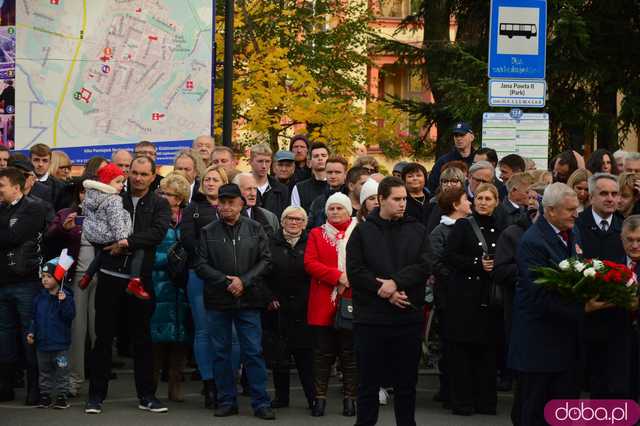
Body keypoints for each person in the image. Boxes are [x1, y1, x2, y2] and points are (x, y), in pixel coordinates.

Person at [508, 183, 613, 426]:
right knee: (534, 412)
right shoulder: (532, 242)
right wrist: (583, 308)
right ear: (551, 211)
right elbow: (540, 296)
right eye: (570, 210)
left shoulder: (571, 232)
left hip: (566, 345)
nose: (576, 214)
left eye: (576, 208)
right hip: (538, 348)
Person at [85, 156, 171, 415]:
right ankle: (95, 397)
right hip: (110, 277)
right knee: (103, 338)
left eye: (144, 174)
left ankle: (147, 396)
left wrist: (125, 243)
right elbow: (97, 229)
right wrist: (108, 245)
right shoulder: (113, 195)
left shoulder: (159, 203)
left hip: (140, 280)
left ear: (153, 176)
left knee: (142, 340)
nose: (138, 178)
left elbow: (156, 234)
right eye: (134, 172)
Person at [347, 176, 432, 426]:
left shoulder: (416, 228)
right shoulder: (363, 230)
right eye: (396, 199)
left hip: (407, 319)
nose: (402, 204)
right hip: (371, 320)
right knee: (368, 385)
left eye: (404, 199)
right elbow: (355, 270)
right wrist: (382, 288)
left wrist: (395, 283)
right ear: (381, 200)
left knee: (406, 385)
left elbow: (425, 264)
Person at [194, 183, 275, 420]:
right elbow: (200, 264)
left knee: (253, 352)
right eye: (223, 202)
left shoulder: (256, 228)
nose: (227, 206)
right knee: (221, 353)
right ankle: (226, 401)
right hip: (218, 300)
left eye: (231, 202)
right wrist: (225, 282)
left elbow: (266, 260)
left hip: (248, 300)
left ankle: (261, 402)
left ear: (241, 203)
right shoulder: (208, 231)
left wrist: (244, 281)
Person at [444, 183, 500, 416]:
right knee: (463, 352)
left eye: (488, 198)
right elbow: (449, 256)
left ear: (496, 202)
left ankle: (485, 401)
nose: (483, 202)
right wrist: (477, 264)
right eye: (479, 198)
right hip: (465, 297)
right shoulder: (463, 226)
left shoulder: (501, 227)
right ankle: (462, 401)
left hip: (490, 297)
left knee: (487, 352)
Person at [575, 173, 631, 399]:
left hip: (617, 319)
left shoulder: (624, 228)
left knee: (614, 386)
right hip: (583, 317)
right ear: (591, 196)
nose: (610, 199)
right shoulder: (577, 226)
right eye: (604, 193)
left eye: (615, 194)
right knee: (582, 385)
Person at [304, 192, 358, 417]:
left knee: (349, 355)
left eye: (339, 208)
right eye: (331, 208)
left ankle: (350, 399)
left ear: (349, 210)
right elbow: (310, 263)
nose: (335, 212)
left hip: (351, 301)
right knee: (322, 355)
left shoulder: (359, 232)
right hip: (322, 301)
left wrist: (350, 278)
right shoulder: (316, 233)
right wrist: (337, 277)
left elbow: (366, 261)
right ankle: (320, 399)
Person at [180, 165, 228, 407]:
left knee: (228, 332)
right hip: (198, 273)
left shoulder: (231, 207)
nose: (210, 183)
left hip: (227, 276)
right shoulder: (193, 208)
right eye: (207, 179)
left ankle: (225, 382)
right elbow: (187, 239)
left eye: (215, 179)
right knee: (203, 330)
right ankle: (209, 383)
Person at [0, 167, 49, 404]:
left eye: (2, 186)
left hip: (26, 283)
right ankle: (5, 386)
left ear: (16, 188)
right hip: (2, 282)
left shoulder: (34, 208)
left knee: (28, 336)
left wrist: (7, 233)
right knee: (4, 337)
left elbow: (14, 237)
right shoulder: (2, 209)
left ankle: (35, 388)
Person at [45, 177, 95, 396]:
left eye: (92, 192)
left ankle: (98, 380)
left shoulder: (108, 215)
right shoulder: (66, 213)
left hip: (102, 276)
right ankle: (73, 378)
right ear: (78, 194)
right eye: (84, 192)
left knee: (98, 331)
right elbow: (48, 238)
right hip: (76, 278)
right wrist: (64, 230)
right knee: (76, 330)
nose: (87, 196)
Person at [263, 206, 315, 409]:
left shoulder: (312, 242)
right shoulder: (269, 242)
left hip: (305, 308)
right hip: (278, 308)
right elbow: (261, 273)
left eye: (298, 219)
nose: (294, 223)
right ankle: (281, 398)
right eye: (289, 219)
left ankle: (313, 398)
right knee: (279, 357)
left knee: (306, 358)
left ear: (305, 223)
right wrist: (269, 297)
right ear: (282, 221)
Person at [78, 164, 148, 300]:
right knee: (139, 250)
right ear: (106, 182)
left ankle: (88, 275)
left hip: (93, 234)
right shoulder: (113, 199)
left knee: (103, 251)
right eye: (118, 181)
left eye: (122, 181)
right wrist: (122, 238)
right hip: (109, 233)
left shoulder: (91, 195)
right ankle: (135, 281)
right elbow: (115, 220)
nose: (122, 185)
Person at [150, 173, 192, 402]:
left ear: (180, 198)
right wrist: (170, 258)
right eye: (162, 192)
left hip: (182, 286)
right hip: (159, 284)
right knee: (156, 337)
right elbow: (147, 253)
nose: (164, 197)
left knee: (181, 337)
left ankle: (176, 384)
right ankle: (151, 387)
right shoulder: (154, 218)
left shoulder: (188, 220)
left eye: (169, 194)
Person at [429, 187, 472, 408]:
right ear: (456, 205)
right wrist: (456, 277)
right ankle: (447, 389)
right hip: (448, 295)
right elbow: (435, 262)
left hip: (469, 296)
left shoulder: (471, 226)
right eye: (466, 199)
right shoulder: (440, 231)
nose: (470, 203)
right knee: (449, 343)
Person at [27, 255, 76, 409]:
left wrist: (64, 302)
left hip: (60, 345)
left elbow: (69, 316)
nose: (45, 280)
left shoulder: (65, 296)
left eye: (49, 276)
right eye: (43, 276)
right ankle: (45, 395)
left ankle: (62, 395)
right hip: (42, 345)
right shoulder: (39, 299)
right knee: (44, 372)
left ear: (58, 277)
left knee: (62, 371)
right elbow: (34, 318)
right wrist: (31, 332)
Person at [427, 122, 476, 193]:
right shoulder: (444, 161)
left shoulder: (478, 159)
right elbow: (432, 186)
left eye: (462, 135)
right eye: (456, 136)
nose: (458, 138)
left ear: (472, 137)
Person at [306, 157, 351, 229]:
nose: (333, 176)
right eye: (329, 172)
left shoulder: (352, 198)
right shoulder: (318, 201)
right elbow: (311, 227)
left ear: (345, 174)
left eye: (337, 172)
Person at [249, 144, 290, 219]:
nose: (264, 166)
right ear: (250, 162)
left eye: (267, 161)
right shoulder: (241, 186)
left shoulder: (282, 189)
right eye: (260, 161)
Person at [234, 172, 280, 237]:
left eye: (255, 189)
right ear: (236, 191)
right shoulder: (228, 216)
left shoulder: (270, 218)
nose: (253, 194)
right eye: (248, 189)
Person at [425, 167, 467, 233]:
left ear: (462, 183)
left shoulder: (469, 203)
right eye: (445, 181)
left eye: (454, 181)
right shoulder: (434, 203)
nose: (449, 185)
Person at [291, 142, 330, 212]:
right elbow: (295, 215)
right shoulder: (299, 188)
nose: (320, 158)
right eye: (316, 156)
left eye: (323, 155)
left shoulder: (339, 186)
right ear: (309, 163)